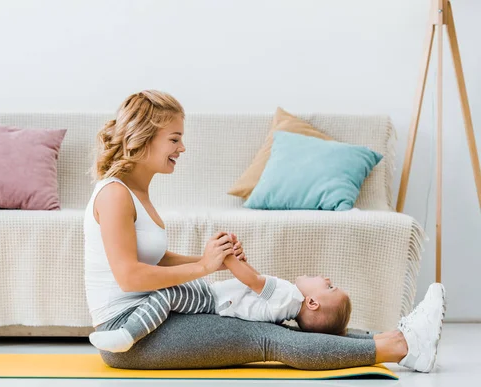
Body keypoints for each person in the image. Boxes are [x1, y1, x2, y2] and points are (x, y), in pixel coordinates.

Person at [84, 89, 446, 372]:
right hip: (131, 333)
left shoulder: (137, 192)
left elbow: (155, 259)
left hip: (155, 318)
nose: (182, 147)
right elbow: (130, 276)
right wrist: (204, 267)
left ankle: (393, 339)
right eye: (174, 138)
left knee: (283, 321)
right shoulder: (116, 194)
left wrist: (215, 260)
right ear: (145, 137)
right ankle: (400, 347)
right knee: (267, 337)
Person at [89, 247, 352, 353]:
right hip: (212, 297)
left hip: (210, 300)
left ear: (313, 303)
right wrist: (239, 262)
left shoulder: (289, 295)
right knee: (169, 288)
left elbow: (253, 281)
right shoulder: (286, 303)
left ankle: (128, 334)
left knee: (166, 294)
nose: (324, 277)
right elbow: (253, 282)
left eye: (328, 285)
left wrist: (225, 259)